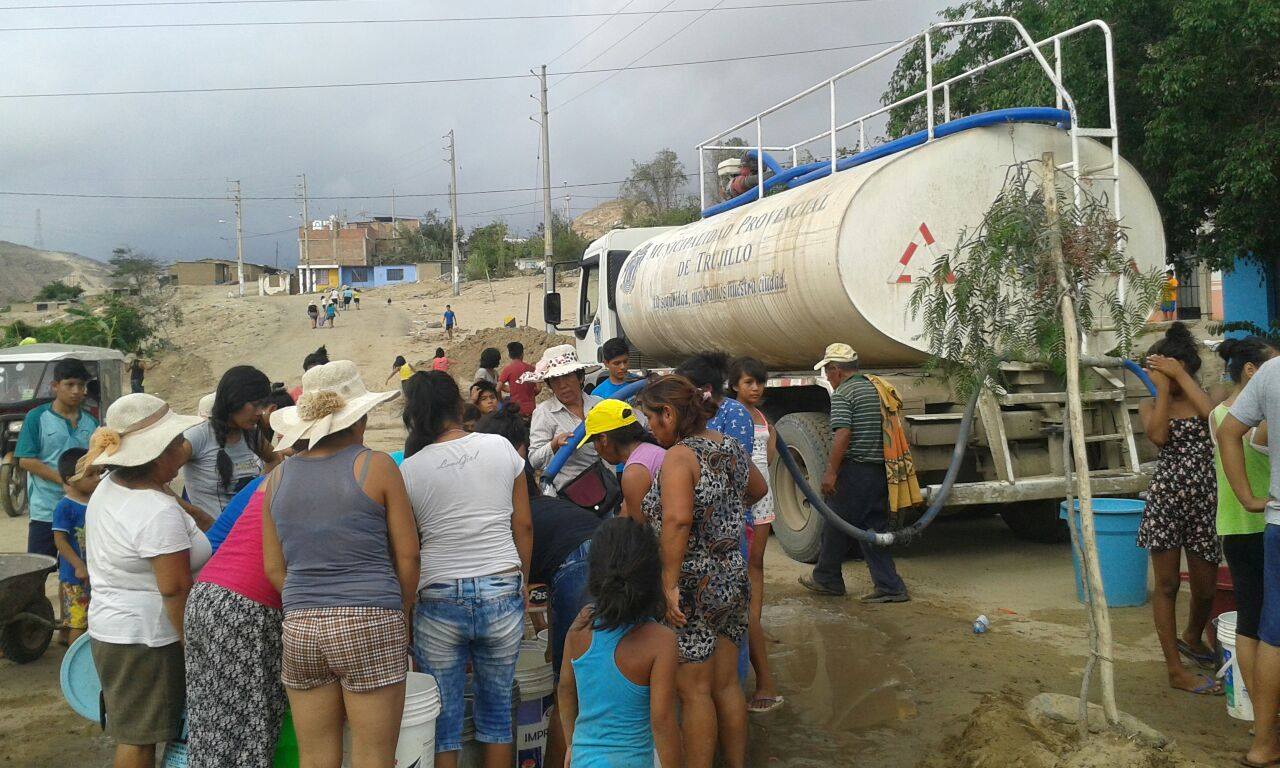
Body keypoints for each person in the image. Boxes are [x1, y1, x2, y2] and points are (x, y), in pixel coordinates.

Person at [262, 360, 420, 768]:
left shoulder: (277, 479)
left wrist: (310, 602)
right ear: (359, 418)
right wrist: (400, 612)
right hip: (371, 618)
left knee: (315, 757)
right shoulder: (376, 466)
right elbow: (408, 553)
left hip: (301, 627)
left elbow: (273, 568)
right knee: (373, 755)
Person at [399, 371, 532, 768]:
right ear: (459, 406)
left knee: (445, 721)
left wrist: (407, 608)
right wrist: (521, 579)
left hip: (438, 594)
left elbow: (411, 548)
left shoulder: (409, 470)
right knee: (496, 716)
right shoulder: (502, 448)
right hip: (502, 587)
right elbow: (522, 525)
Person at [637, 375, 766, 768]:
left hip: (693, 586)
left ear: (669, 414)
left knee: (693, 690)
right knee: (727, 684)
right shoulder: (727, 447)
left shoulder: (680, 456)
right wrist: (722, 511)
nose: (649, 428)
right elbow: (759, 490)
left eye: (651, 419)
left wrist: (668, 584)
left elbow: (676, 520)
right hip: (731, 579)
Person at [81, 393, 211, 768]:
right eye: (178, 442)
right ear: (159, 454)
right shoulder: (155, 512)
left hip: (118, 629)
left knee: (138, 732)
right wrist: (192, 644)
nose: (185, 448)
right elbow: (174, 588)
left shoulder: (116, 485)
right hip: (148, 638)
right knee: (140, 739)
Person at [473, 403, 601, 768]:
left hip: (581, 562)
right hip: (610, 554)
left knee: (568, 685)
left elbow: (527, 580)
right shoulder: (542, 501)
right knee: (592, 670)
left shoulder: (511, 514)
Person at [557, 517, 682, 768]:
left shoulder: (582, 623)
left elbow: (565, 689)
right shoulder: (660, 641)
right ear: (652, 577)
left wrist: (572, 745)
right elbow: (663, 722)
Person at [1138, 322, 1221, 694]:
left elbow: (1213, 419)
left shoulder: (1206, 396)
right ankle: (1175, 669)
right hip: (1167, 501)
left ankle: (1192, 634)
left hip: (1205, 501)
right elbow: (1157, 437)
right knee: (1168, 585)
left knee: (1205, 589)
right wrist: (1160, 389)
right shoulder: (1150, 404)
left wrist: (1181, 377)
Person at [185, 478, 285, 768]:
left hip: (207, 595)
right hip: (245, 609)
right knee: (251, 726)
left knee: (211, 722)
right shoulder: (314, 479)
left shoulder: (273, 476)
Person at [800, 343, 909, 603]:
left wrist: (831, 473)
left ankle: (839, 580)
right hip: (880, 470)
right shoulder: (874, 388)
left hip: (856, 470)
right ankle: (842, 580)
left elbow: (843, 435)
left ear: (837, 370)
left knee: (847, 525)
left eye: (827, 371)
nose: (826, 376)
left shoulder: (844, 394)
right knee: (861, 525)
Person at [1211, 337, 1277, 726]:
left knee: (1252, 618)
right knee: (1265, 623)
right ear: (1252, 371)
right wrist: (1253, 498)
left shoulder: (1218, 414)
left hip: (1233, 526)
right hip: (1260, 522)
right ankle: (1264, 706)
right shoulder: (1260, 418)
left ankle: (1256, 706)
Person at [728, 356, 783, 713]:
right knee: (745, 562)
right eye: (749, 382)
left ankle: (754, 620)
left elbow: (771, 455)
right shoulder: (733, 414)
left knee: (757, 562)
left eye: (759, 382)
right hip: (744, 497)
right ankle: (749, 622)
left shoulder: (763, 418)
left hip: (763, 497)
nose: (756, 388)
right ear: (734, 385)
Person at [16, 357, 98, 560]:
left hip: (82, 508)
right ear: (54, 386)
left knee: (79, 570)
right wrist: (65, 482)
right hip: (46, 510)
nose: (76, 391)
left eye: (81, 385)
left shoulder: (91, 422)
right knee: (39, 568)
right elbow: (25, 460)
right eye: (69, 384)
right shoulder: (37, 417)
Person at [181, 366, 273, 522]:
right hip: (214, 542)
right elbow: (152, 478)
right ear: (234, 400)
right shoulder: (198, 436)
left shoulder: (251, 434)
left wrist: (260, 494)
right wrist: (196, 515)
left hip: (246, 534)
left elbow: (275, 459)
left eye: (263, 406)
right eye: (255, 405)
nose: (260, 412)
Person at [527, 345, 604, 493]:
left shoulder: (599, 404)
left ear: (580, 377)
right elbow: (534, 460)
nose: (562, 385)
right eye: (555, 379)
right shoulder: (544, 412)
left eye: (567, 376)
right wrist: (554, 445)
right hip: (569, 493)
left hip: (608, 488)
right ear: (549, 384)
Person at [581, 399, 665, 523]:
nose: (596, 449)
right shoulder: (651, 451)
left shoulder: (634, 472)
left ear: (603, 439)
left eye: (594, 442)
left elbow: (640, 530)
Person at [52, 447, 100, 645]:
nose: (97, 478)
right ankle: (73, 667)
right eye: (90, 474)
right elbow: (60, 540)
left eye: (98, 472)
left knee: (91, 620)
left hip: (96, 572)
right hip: (75, 577)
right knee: (78, 623)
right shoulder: (65, 506)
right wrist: (78, 565)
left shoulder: (97, 500)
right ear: (70, 479)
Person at [499, 341, 539, 418]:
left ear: (509, 355)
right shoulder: (531, 368)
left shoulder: (508, 369)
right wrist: (530, 394)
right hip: (531, 408)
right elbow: (538, 389)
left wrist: (501, 401)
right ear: (522, 354)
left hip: (515, 409)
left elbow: (498, 388)